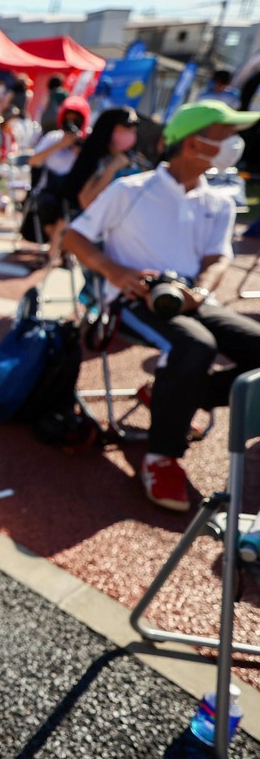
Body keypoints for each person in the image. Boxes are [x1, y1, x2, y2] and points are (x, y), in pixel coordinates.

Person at [62, 99, 260, 512]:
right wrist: (115, 273)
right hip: (132, 299)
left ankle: (178, 395)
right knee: (195, 346)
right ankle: (162, 456)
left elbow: (217, 257)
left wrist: (201, 291)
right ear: (192, 143)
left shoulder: (217, 201)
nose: (234, 145)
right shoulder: (131, 189)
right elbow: (75, 237)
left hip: (190, 296)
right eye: (226, 137)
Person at [26, 95, 91, 250]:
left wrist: (79, 152)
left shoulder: (87, 142)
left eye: (76, 120)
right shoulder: (53, 138)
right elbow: (33, 161)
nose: (72, 124)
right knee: (48, 204)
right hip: (50, 189)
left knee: (70, 210)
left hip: (73, 192)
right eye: (69, 119)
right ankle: (57, 248)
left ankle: (55, 250)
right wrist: (60, 145)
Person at [64, 107, 144, 215]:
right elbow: (86, 201)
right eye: (127, 129)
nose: (131, 135)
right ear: (109, 129)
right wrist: (112, 169)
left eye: (133, 131)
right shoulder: (95, 160)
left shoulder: (138, 164)